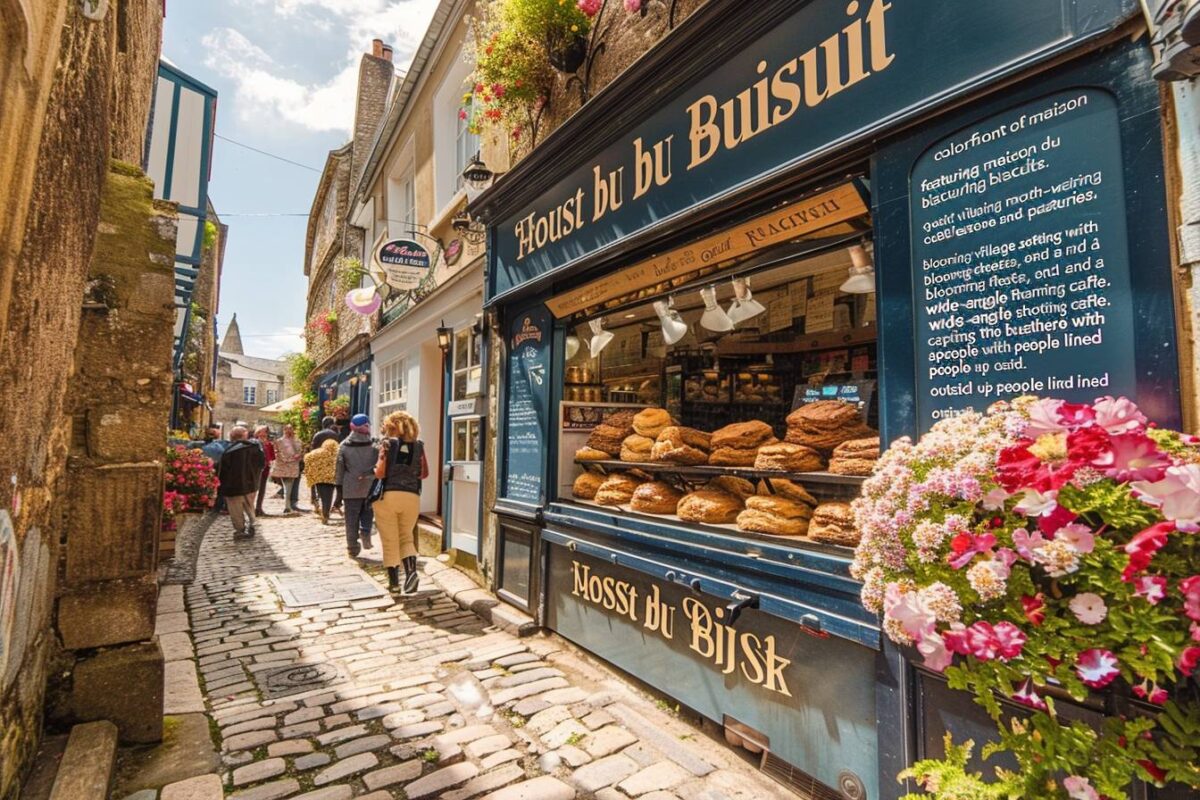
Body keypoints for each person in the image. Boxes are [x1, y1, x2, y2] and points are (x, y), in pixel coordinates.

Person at [373, 410, 428, 594]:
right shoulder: (419, 446)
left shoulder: (387, 444)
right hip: (411, 497)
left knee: (390, 541)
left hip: (388, 495)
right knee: (406, 537)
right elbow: (424, 474)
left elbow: (381, 472)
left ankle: (394, 584)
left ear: (392, 426)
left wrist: (375, 469)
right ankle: (411, 572)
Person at [336, 414, 379, 557]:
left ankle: (352, 547)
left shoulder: (344, 446)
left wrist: (339, 491)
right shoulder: (374, 445)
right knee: (368, 511)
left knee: (351, 518)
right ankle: (365, 531)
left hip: (350, 486)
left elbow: (339, 469)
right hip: (370, 485)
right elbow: (379, 464)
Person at [217, 427, 265, 539]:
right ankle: (253, 523)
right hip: (251, 483)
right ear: (244, 435)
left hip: (232, 486)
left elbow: (223, 471)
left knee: (235, 509)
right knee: (249, 506)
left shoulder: (228, 451)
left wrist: (221, 487)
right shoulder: (255, 448)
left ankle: (239, 530)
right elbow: (262, 464)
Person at [304, 438, 340, 524]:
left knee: (321, 495)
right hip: (331, 479)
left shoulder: (316, 453)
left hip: (318, 478)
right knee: (328, 497)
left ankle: (323, 512)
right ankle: (326, 513)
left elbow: (307, 457)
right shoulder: (337, 454)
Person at [272, 424, 303, 513]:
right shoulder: (279, 441)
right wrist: (286, 459)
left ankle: (288, 505)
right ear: (284, 430)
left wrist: (298, 456)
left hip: (293, 466)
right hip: (283, 466)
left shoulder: (297, 441)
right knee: (287, 486)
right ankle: (287, 505)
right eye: (287, 429)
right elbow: (277, 453)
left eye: (291, 429)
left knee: (289, 486)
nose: (289, 431)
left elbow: (300, 451)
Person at [310, 417, 340, 510]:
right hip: (332, 463)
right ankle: (326, 507)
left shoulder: (318, 435)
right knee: (330, 486)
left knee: (319, 484)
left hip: (319, 463)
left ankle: (319, 502)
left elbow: (313, 449)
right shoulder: (335, 435)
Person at [253, 426, 275, 516]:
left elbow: (272, 456)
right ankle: (251, 508)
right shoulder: (253, 443)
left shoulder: (269, 444)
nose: (263, 434)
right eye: (261, 432)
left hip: (265, 468)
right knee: (254, 489)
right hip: (255, 469)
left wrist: (269, 462)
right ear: (257, 433)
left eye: (265, 432)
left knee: (262, 488)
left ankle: (259, 508)